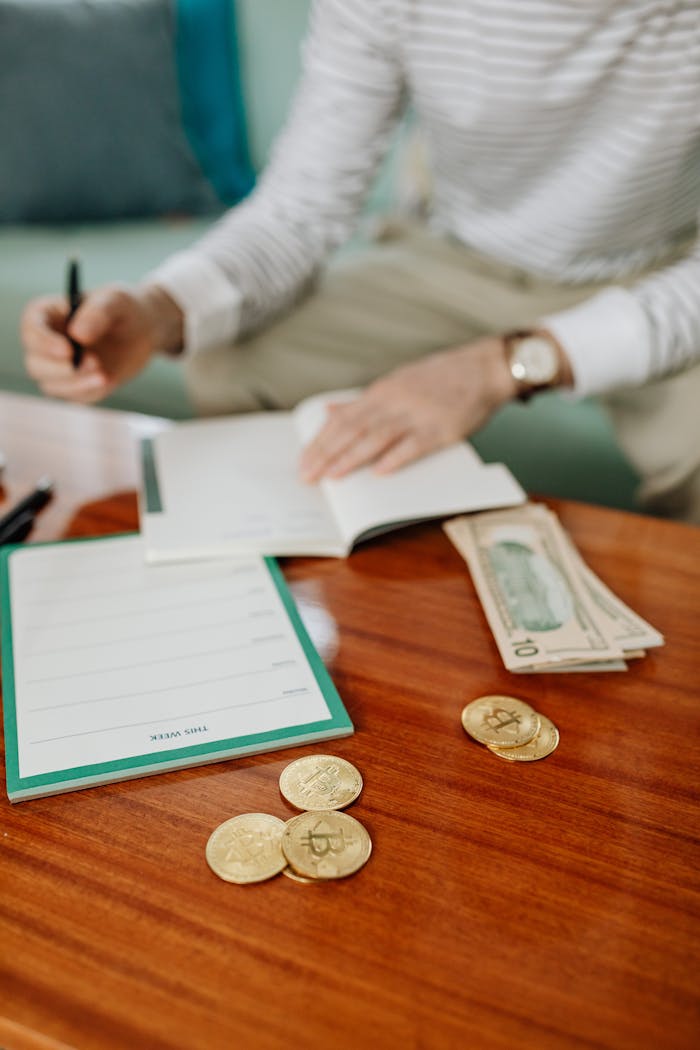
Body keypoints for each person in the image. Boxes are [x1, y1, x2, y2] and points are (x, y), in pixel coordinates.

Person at [21, 1, 700, 522]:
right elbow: (301, 207)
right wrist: (155, 311)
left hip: (667, 267)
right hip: (458, 255)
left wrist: (505, 365)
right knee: (233, 365)